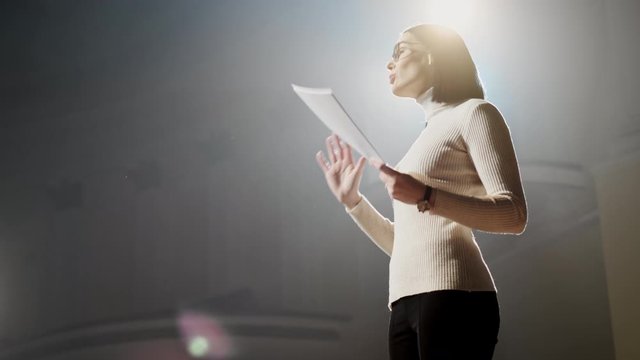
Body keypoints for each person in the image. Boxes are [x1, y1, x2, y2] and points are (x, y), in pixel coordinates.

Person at [314, 24, 528, 359]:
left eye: (399, 52)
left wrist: (428, 196)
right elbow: (406, 247)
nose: (389, 64)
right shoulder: (423, 140)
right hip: (404, 303)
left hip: (456, 296)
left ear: (432, 56)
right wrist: (353, 203)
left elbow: (514, 215)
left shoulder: (475, 113)